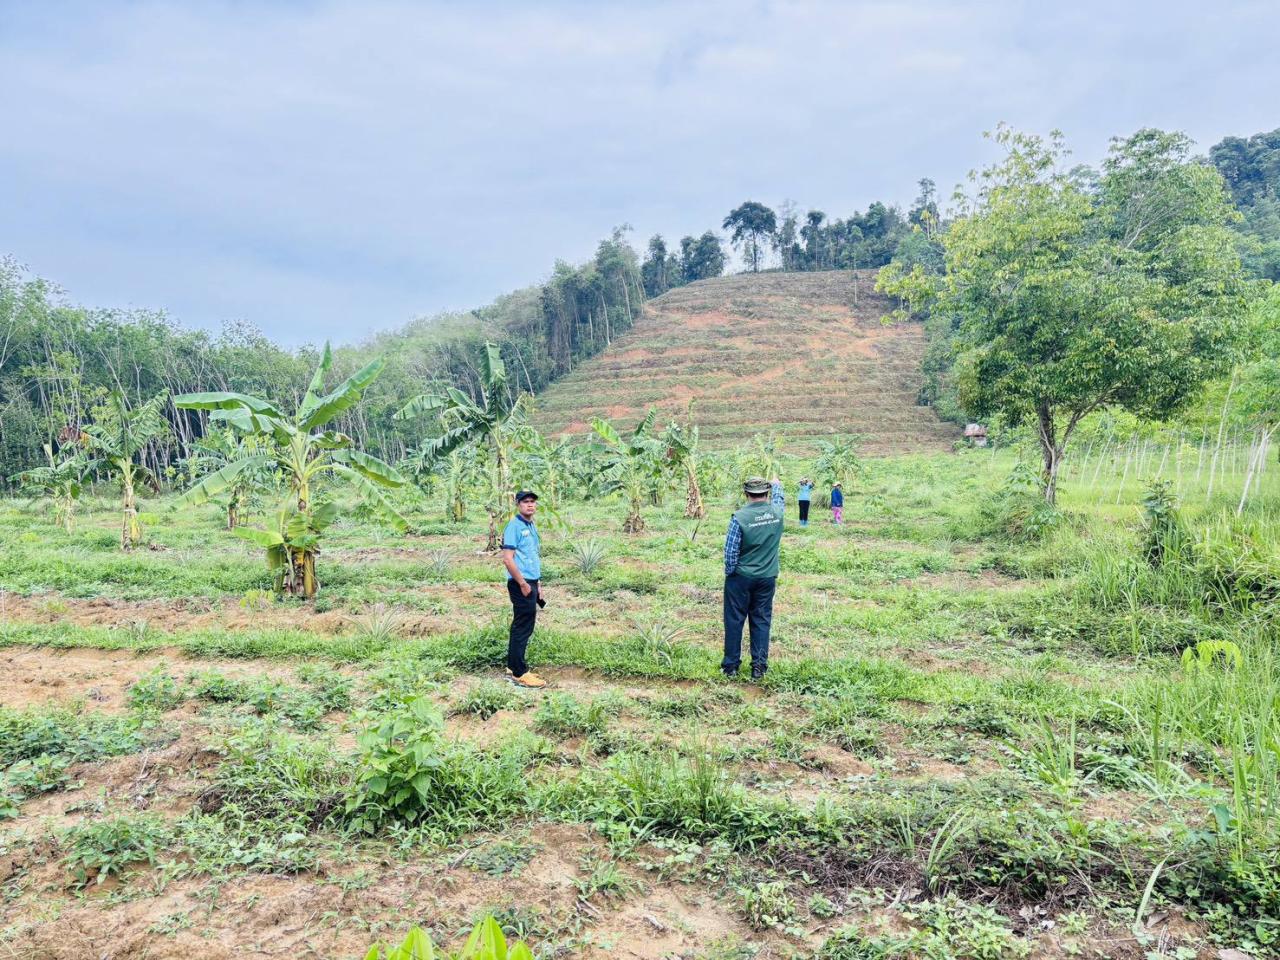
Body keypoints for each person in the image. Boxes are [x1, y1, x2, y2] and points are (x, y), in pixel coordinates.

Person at [722, 475, 784, 681]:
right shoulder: (777, 512)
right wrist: (777, 484)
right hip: (767, 577)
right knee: (761, 620)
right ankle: (759, 667)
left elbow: (731, 552)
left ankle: (730, 666)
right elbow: (780, 500)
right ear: (766, 493)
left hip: (741, 577)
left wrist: (731, 573)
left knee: (734, 620)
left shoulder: (739, 517)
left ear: (746, 493)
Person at [501, 490, 547, 688]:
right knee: (523, 626)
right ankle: (520, 673)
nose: (530, 505)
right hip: (521, 583)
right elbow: (507, 559)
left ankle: (513, 665)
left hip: (531, 581)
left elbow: (531, 556)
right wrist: (523, 584)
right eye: (526, 502)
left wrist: (538, 584)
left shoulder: (530, 525)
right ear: (518, 504)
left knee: (522, 624)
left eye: (533, 502)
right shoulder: (514, 526)